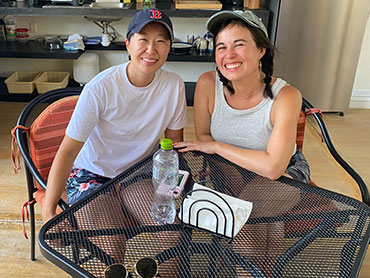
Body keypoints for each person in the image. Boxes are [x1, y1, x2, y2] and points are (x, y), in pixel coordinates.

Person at [42, 8, 188, 224]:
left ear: (169, 48)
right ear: (128, 44)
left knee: (171, 233)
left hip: (139, 172)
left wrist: (171, 186)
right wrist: (48, 212)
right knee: (111, 240)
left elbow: (174, 145)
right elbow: (68, 150)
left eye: (160, 41)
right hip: (92, 173)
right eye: (143, 40)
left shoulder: (174, 85)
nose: (151, 50)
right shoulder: (100, 87)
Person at [175, 10, 310, 183]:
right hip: (228, 166)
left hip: (283, 173)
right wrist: (232, 175)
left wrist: (217, 147)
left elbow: (273, 168)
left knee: (250, 205)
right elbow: (204, 135)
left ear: (261, 50)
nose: (229, 54)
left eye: (239, 45)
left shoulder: (286, 96)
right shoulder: (207, 84)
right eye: (222, 47)